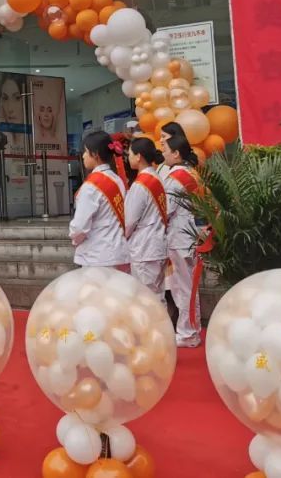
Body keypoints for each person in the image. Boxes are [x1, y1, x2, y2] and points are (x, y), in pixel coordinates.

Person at [69, 130, 130, 271]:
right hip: (118, 251)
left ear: (95, 154)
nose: (83, 156)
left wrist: (74, 238)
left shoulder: (91, 186)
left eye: (85, 151)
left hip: (96, 255)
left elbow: (79, 227)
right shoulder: (117, 180)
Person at [163, 135, 202, 347]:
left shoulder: (176, 177)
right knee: (189, 288)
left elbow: (166, 209)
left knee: (184, 288)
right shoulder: (191, 173)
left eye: (166, 149)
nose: (163, 153)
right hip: (190, 234)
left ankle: (188, 333)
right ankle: (191, 330)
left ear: (176, 153)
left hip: (179, 236)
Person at [123, 138, 169, 298]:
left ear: (138, 157)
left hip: (144, 249)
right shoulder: (157, 178)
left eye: (130, 154)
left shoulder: (140, 184)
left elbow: (129, 222)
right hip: (157, 245)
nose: (128, 158)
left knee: (145, 298)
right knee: (157, 296)